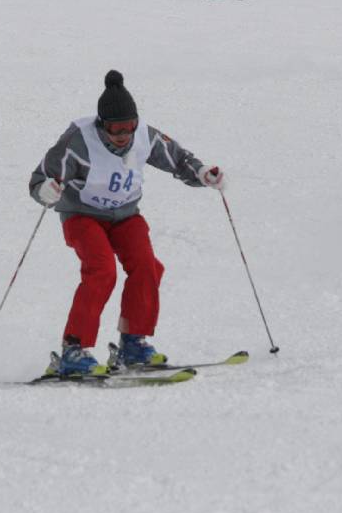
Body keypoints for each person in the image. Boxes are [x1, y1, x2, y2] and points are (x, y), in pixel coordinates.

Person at [28, 70, 226, 377]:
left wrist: (202, 173)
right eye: (115, 128)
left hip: (125, 216)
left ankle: (132, 344)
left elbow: (178, 159)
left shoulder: (144, 136)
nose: (123, 135)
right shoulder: (78, 141)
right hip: (82, 215)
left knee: (147, 266)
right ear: (101, 124)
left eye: (128, 126)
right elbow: (41, 178)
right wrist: (45, 190)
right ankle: (73, 350)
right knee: (102, 270)